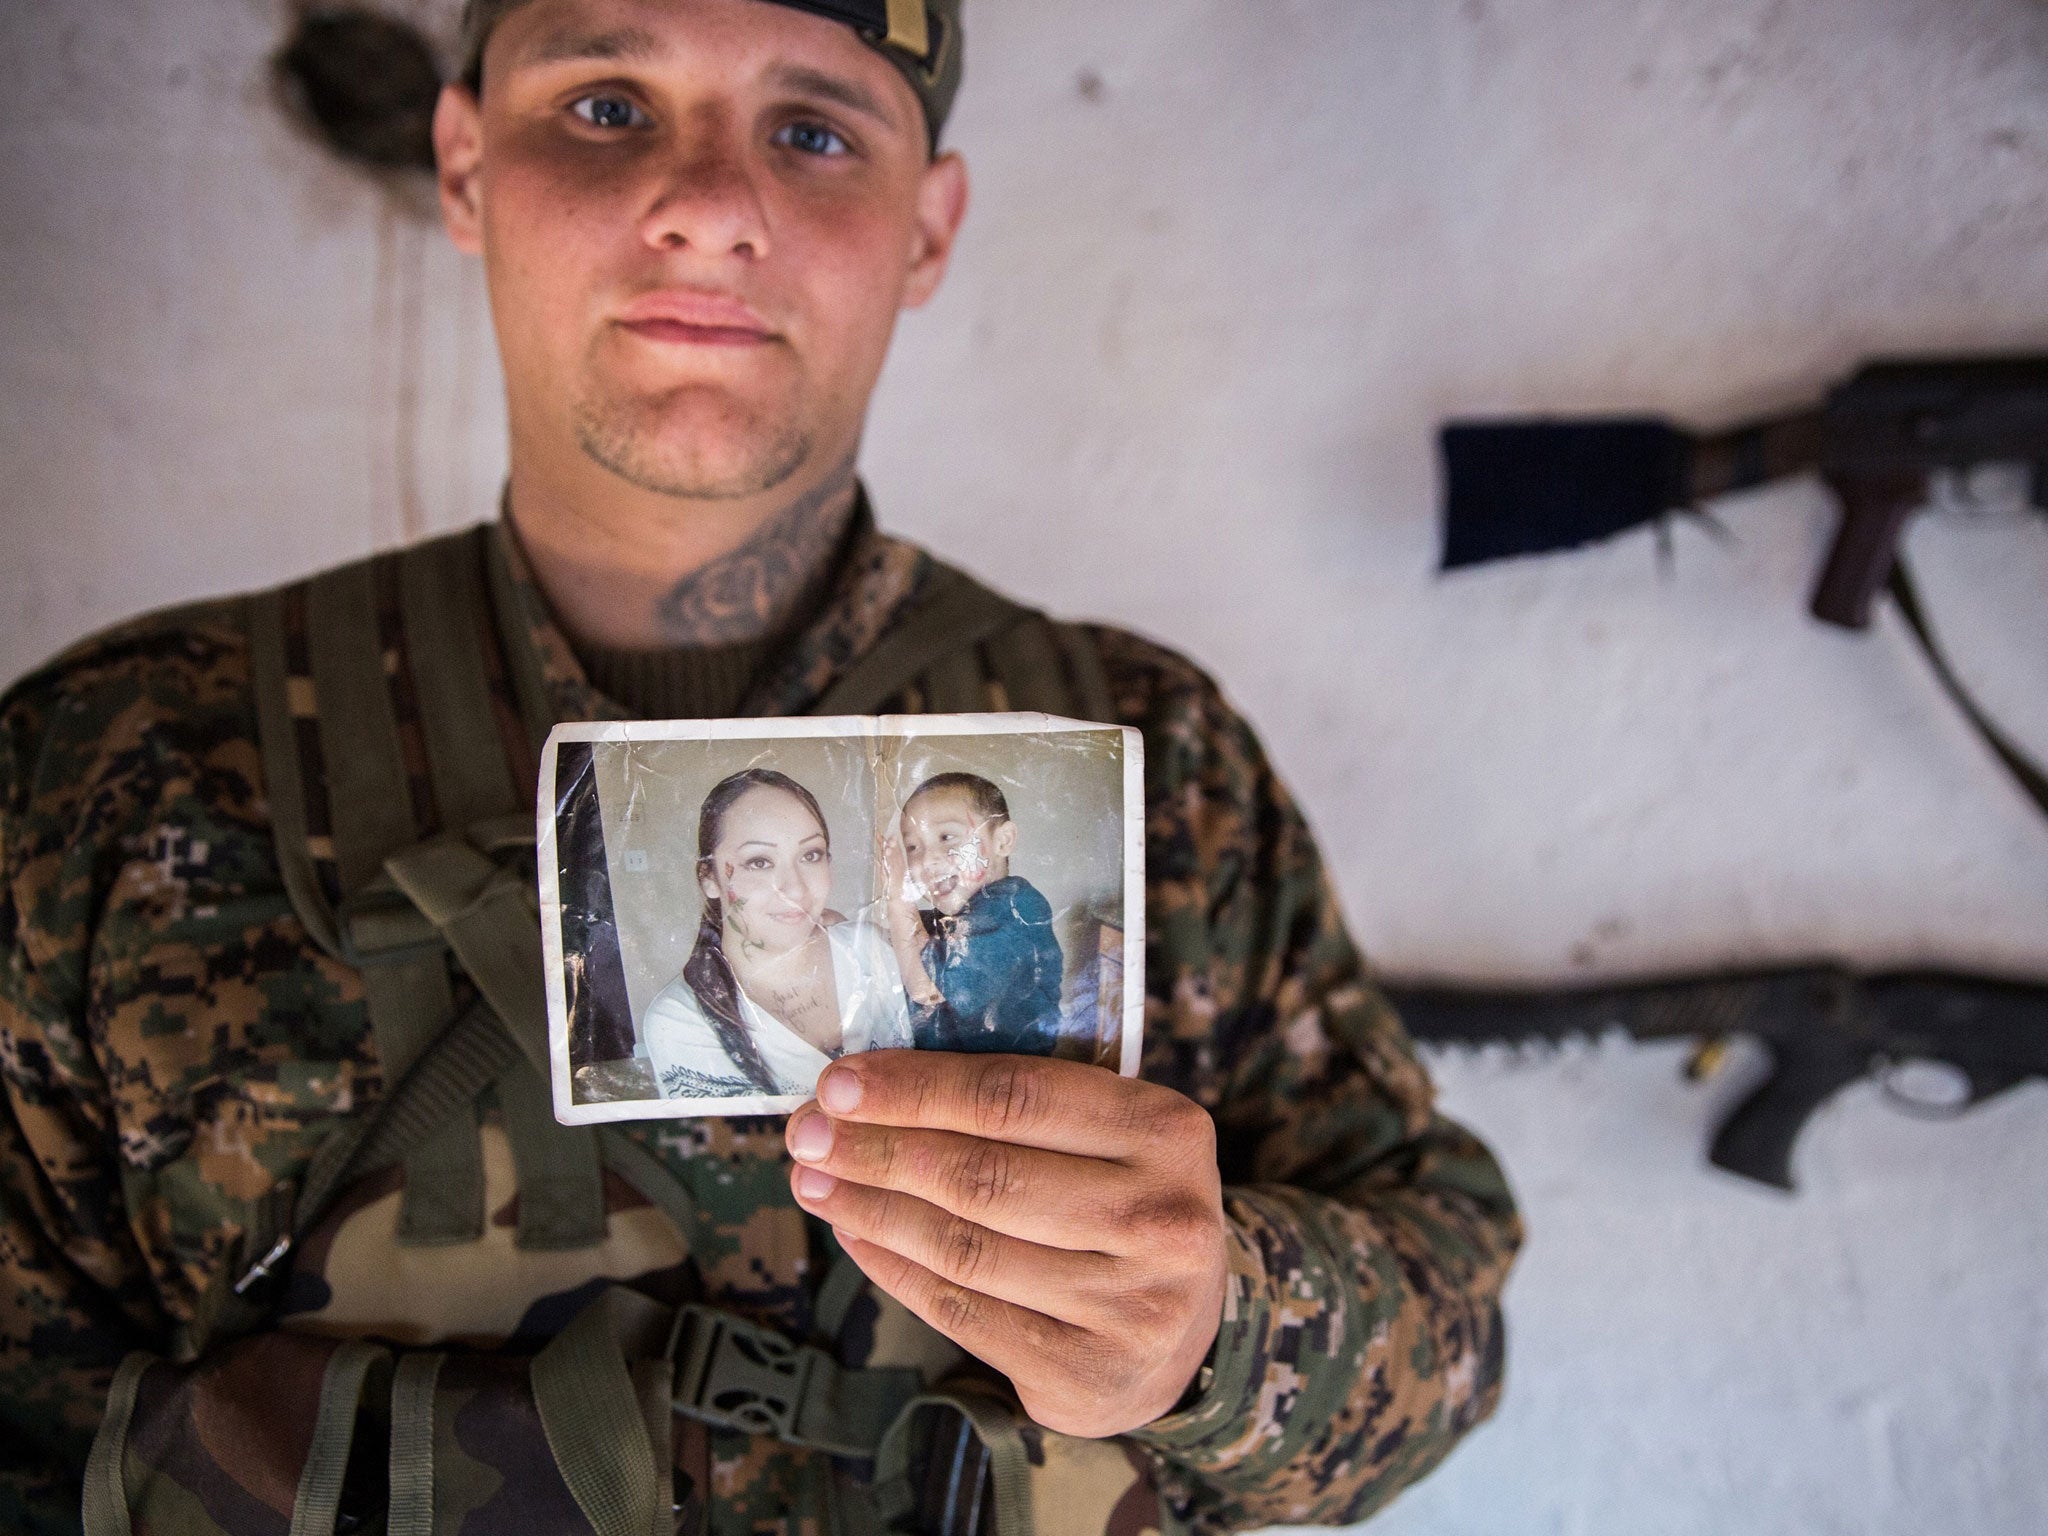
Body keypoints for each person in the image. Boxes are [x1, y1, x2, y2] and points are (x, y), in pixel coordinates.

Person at [0, 1, 1523, 1532]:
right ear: (465, 165)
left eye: (813, 132)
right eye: (605, 106)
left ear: (928, 228)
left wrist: (1219, 1328)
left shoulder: (1156, 754)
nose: (713, 206)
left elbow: (1452, 1318)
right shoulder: (118, 777)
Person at [642, 767, 912, 1098]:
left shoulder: (873, 949)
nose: (795, 889)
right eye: (759, 862)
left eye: (810, 855)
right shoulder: (681, 1021)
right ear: (709, 877)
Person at [884, 771, 1066, 1055]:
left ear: (1003, 841)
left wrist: (898, 900)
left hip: (1003, 1080)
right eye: (912, 847)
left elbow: (926, 992)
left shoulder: (1015, 906)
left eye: (946, 837)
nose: (927, 860)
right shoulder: (956, 915)